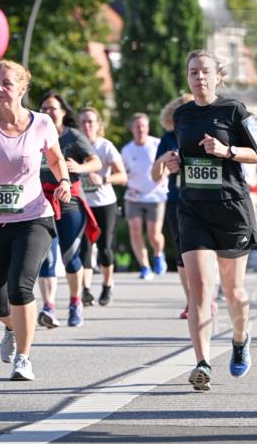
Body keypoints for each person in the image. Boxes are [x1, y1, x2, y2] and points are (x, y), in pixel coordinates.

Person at [0, 60, 69, 381]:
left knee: (21, 286)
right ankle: (10, 328)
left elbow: (56, 159)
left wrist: (62, 183)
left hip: (34, 216)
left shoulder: (42, 123)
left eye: (7, 83)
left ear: (22, 87)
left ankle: (24, 357)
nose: (0, 89)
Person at [165, 50, 257, 391]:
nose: (199, 78)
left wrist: (227, 152)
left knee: (234, 291)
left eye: (205, 72)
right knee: (200, 290)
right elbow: (186, 154)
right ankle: (203, 362)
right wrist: (176, 162)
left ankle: (240, 340)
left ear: (218, 76)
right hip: (192, 207)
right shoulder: (181, 115)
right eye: (193, 72)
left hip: (231, 208)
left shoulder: (234, 110)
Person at [37, 92, 100, 328]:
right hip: (41, 202)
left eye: (53, 108)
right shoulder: (34, 134)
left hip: (69, 202)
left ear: (63, 112)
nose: (48, 112)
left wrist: (81, 167)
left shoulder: (73, 136)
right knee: (46, 257)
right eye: (43, 108)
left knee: (70, 257)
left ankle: (75, 302)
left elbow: (97, 162)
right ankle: (49, 307)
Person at [151, 96, 196, 319]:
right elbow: (155, 176)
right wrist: (165, 159)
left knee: (206, 250)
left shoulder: (202, 133)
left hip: (202, 199)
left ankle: (205, 296)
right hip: (177, 200)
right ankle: (191, 301)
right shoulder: (168, 138)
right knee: (181, 253)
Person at [78, 107, 127, 306]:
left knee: (105, 248)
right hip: (83, 204)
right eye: (83, 122)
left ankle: (107, 285)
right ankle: (86, 290)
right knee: (85, 248)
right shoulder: (74, 147)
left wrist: (103, 178)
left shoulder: (105, 146)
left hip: (105, 203)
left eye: (91, 122)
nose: (87, 126)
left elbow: (123, 176)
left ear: (98, 125)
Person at [121, 113, 168, 280]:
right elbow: (123, 172)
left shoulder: (157, 144)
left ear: (148, 128)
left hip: (155, 195)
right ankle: (145, 267)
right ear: (132, 128)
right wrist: (126, 182)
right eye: (137, 126)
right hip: (134, 196)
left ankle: (158, 253)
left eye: (143, 126)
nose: (141, 129)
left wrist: (165, 175)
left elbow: (168, 164)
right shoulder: (127, 150)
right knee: (135, 231)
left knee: (154, 233)